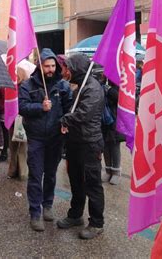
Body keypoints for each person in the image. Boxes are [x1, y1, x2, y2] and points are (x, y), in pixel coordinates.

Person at [19, 48, 73, 232]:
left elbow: (68, 108)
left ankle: (47, 205)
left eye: (52, 66)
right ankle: (35, 212)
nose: (50, 69)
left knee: (50, 174)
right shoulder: (28, 85)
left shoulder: (63, 86)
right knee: (35, 175)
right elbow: (22, 107)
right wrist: (39, 107)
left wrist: (66, 123)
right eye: (46, 66)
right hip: (36, 138)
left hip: (55, 138)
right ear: (39, 66)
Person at [58, 53, 105, 240]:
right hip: (75, 141)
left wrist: (65, 118)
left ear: (77, 68)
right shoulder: (80, 86)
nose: (65, 71)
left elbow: (82, 114)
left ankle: (96, 222)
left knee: (92, 183)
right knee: (76, 180)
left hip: (90, 143)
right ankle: (75, 215)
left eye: (68, 67)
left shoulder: (92, 88)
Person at [101, 81, 125, 185]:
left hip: (116, 121)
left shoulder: (121, 85)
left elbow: (122, 100)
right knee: (105, 146)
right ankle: (108, 170)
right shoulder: (103, 83)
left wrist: (110, 91)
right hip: (104, 120)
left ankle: (116, 172)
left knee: (114, 146)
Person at [7, 66, 29, 180]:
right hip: (23, 119)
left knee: (13, 146)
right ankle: (23, 173)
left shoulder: (9, 86)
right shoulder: (26, 87)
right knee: (22, 146)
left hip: (12, 118)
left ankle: (12, 170)